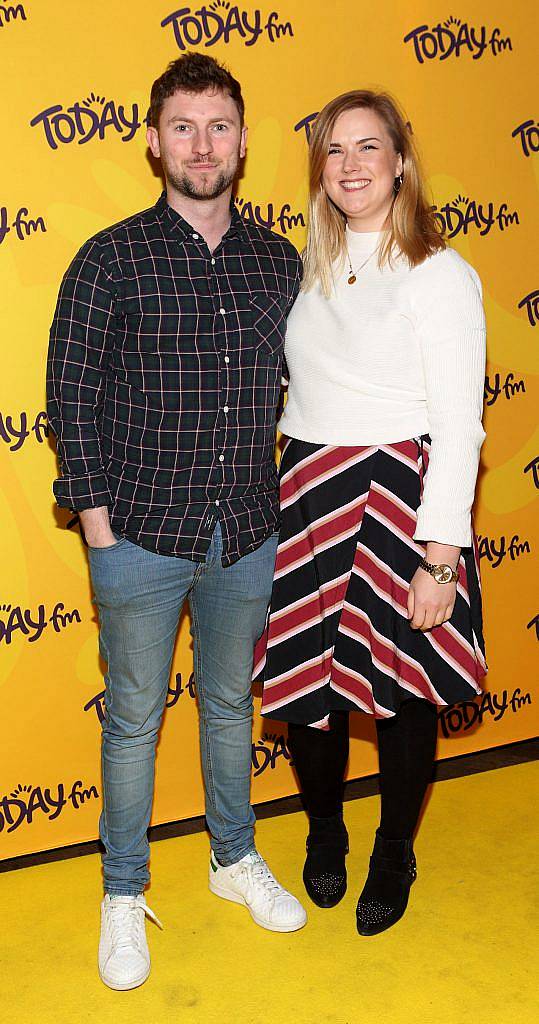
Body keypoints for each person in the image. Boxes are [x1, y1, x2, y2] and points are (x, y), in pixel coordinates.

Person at [47, 52, 306, 992]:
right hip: (139, 538)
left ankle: (230, 858)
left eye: (221, 125)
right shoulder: (110, 255)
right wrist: (101, 529)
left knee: (233, 704)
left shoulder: (278, 259)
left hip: (245, 529)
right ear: (154, 142)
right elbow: (68, 398)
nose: (204, 144)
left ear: (244, 141)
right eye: (184, 126)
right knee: (130, 724)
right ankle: (124, 892)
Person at [255, 90, 487, 935]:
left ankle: (394, 848)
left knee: (401, 695)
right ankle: (324, 835)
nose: (350, 164)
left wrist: (439, 557)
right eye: (333, 149)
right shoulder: (305, 270)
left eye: (368, 147)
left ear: (399, 161)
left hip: (398, 496)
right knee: (306, 692)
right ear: (318, 168)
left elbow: (459, 422)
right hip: (308, 491)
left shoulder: (438, 273)